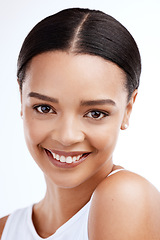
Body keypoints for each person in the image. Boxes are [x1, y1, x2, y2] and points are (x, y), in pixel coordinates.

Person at [0, 7, 160, 240]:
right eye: (45, 108)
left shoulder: (126, 197)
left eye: (95, 113)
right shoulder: (5, 230)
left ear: (128, 108)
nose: (67, 136)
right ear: (21, 97)